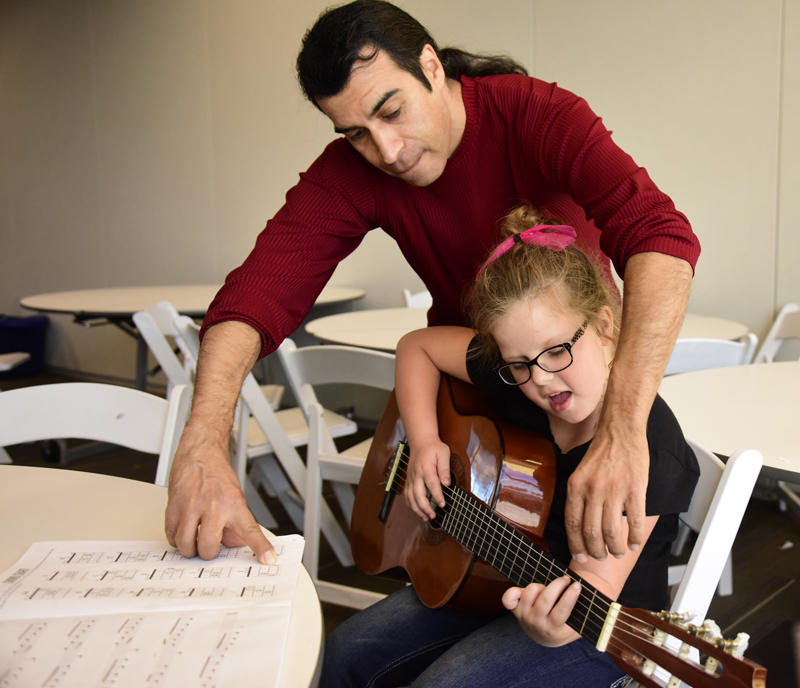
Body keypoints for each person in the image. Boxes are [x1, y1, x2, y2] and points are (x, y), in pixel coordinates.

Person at [165, 0, 699, 567]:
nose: (386, 152)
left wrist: (622, 426)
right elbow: (257, 292)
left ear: (431, 66)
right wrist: (203, 439)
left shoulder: (537, 114)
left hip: (576, 404)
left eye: (391, 111)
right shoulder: (353, 171)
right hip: (479, 404)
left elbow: (659, 234)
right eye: (356, 134)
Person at [322, 206, 699, 687]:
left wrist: (548, 628)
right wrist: (423, 443)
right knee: (346, 651)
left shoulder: (649, 448)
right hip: (492, 575)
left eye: (558, 351)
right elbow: (415, 346)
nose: (540, 378)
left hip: (600, 631)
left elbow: (593, 591)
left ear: (605, 326)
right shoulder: (512, 375)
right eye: (518, 363)